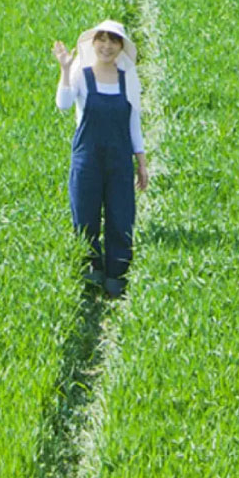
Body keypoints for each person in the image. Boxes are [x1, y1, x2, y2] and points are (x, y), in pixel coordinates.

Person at [54, 20, 149, 297]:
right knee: (85, 215)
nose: (107, 46)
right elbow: (64, 104)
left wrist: (141, 163)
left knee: (121, 216)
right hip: (87, 158)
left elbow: (134, 123)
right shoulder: (81, 75)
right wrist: (64, 68)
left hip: (119, 159)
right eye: (102, 40)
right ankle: (90, 270)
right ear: (93, 44)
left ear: (121, 47)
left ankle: (117, 274)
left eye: (113, 41)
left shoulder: (127, 78)